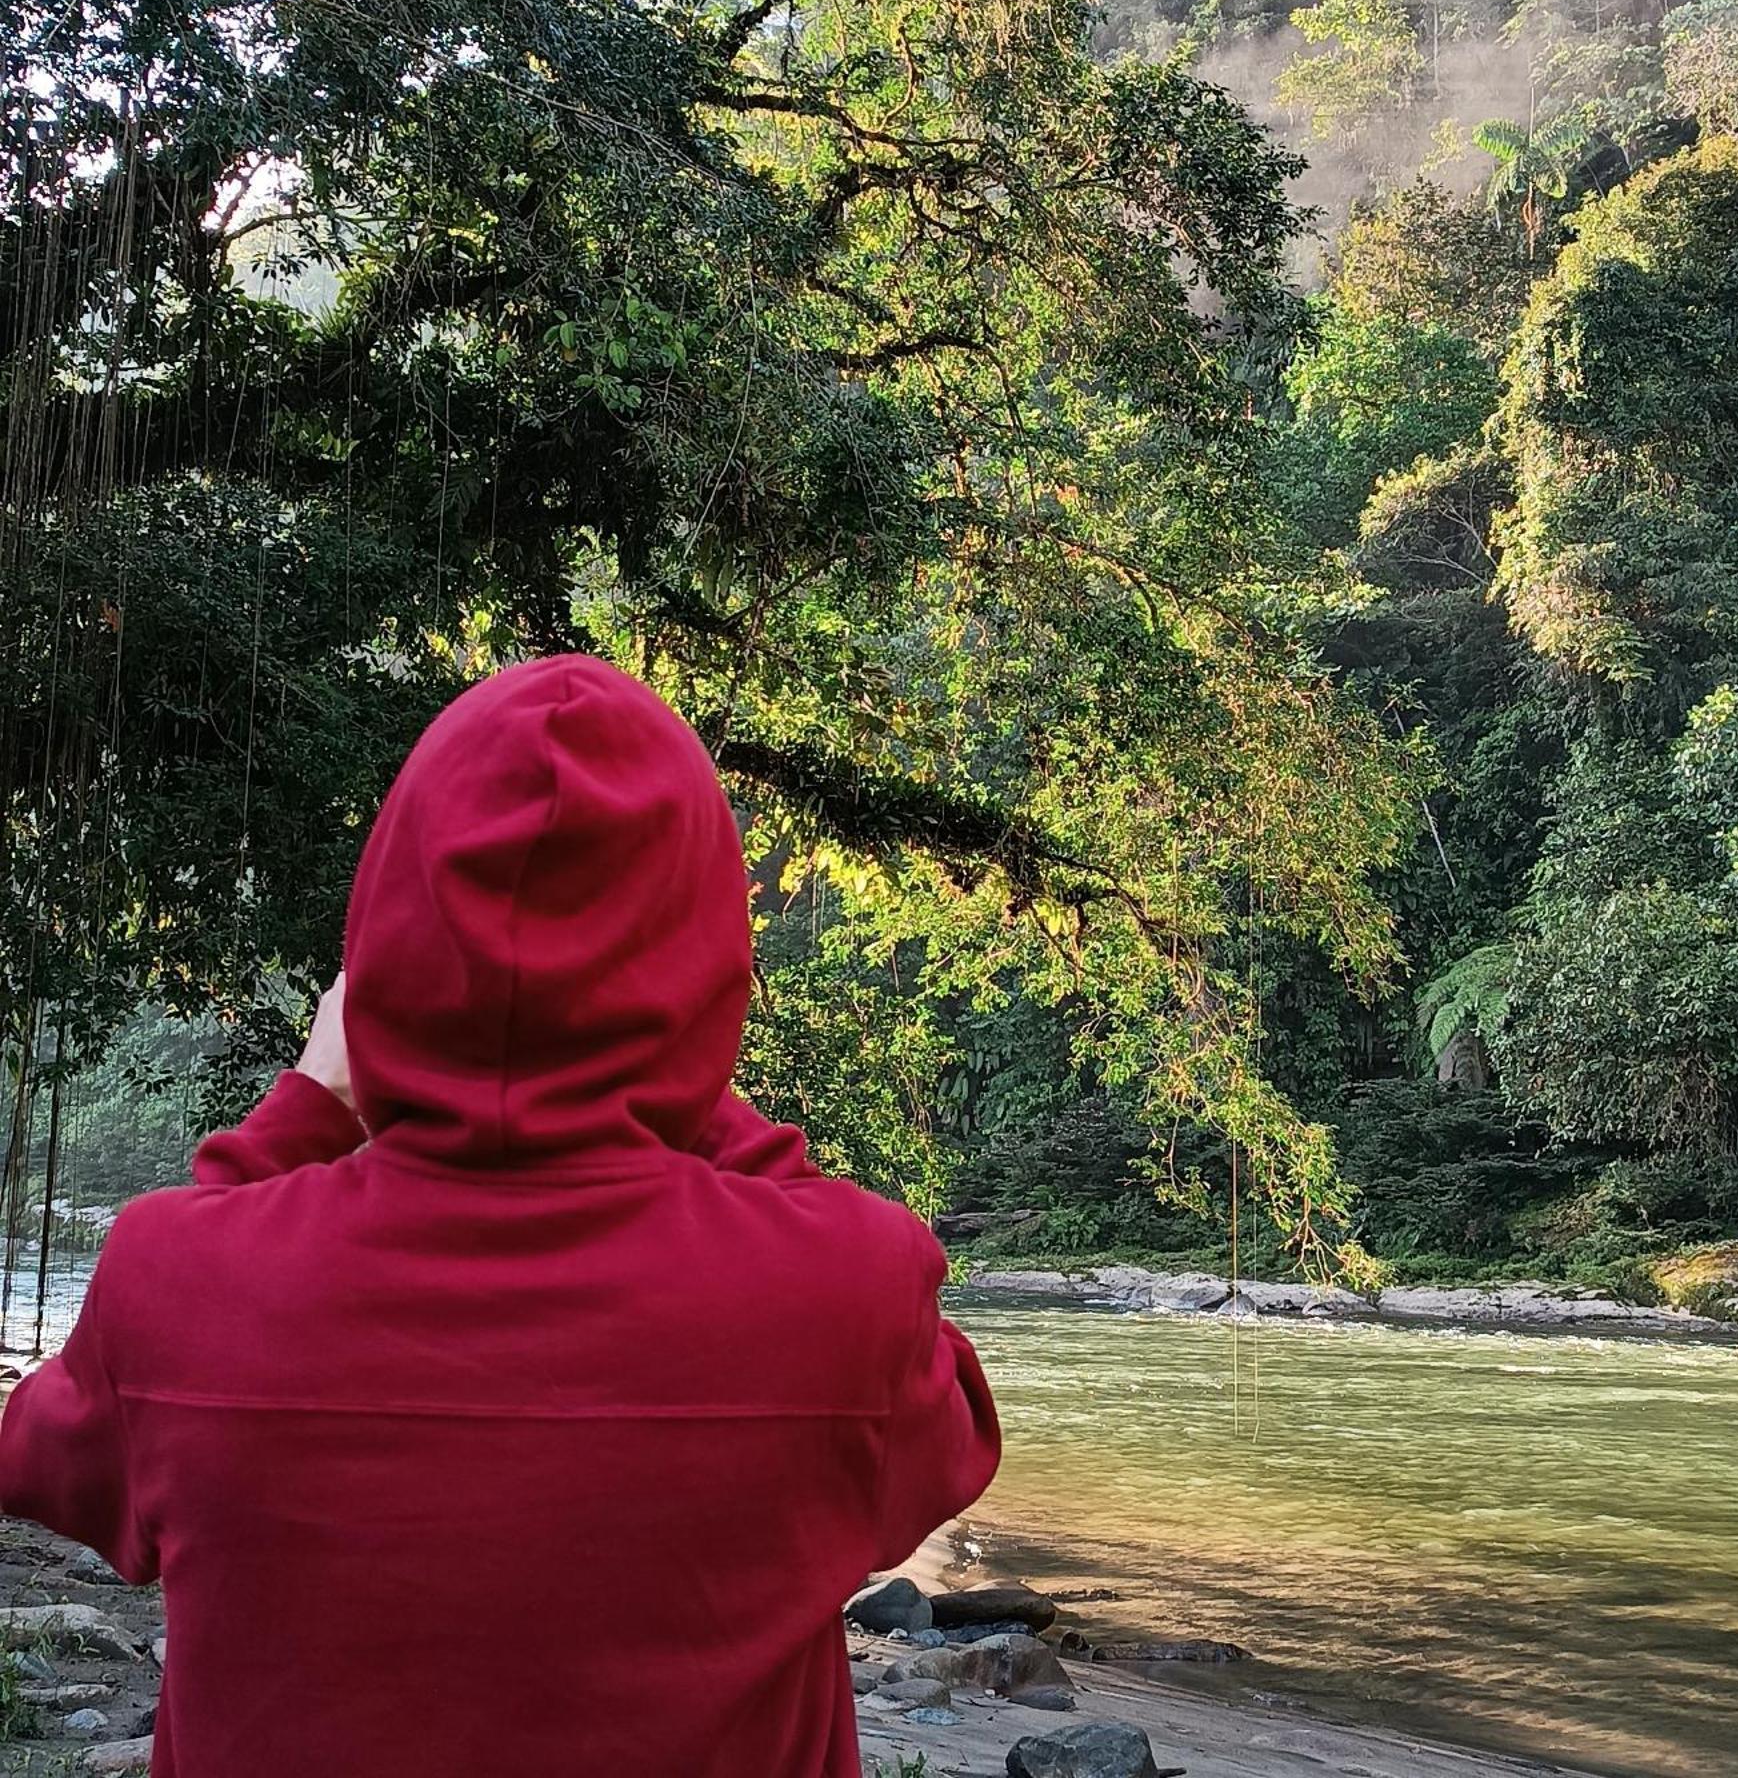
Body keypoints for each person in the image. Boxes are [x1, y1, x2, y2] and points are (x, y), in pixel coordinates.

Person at [0, 655, 1000, 1777]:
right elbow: (950, 1445)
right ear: (707, 961)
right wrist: (674, 1076)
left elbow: (46, 1459)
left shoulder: (173, 1278)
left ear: (384, 932)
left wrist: (305, 1105)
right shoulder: (843, 1295)